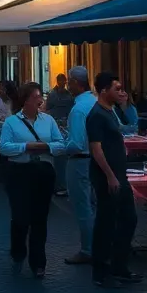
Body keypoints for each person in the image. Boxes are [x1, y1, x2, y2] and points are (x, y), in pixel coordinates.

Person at [0, 82, 66, 277]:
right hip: (19, 172)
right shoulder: (11, 122)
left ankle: (38, 262)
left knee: (40, 218)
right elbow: (4, 147)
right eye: (37, 96)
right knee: (20, 217)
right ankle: (18, 253)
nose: (41, 100)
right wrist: (26, 147)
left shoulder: (48, 121)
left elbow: (61, 144)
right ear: (27, 100)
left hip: (43, 171)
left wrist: (45, 147)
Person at [87, 71, 141, 287]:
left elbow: (129, 125)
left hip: (119, 174)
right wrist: (110, 176)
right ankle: (101, 271)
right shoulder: (96, 115)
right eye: (116, 89)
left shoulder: (112, 111)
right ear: (103, 91)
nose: (120, 91)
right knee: (106, 222)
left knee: (128, 218)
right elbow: (96, 150)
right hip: (107, 177)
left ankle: (119, 266)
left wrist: (124, 102)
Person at [64, 65, 97, 265]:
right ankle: (98, 245)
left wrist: (61, 143)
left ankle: (87, 249)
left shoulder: (78, 109)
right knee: (95, 205)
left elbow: (76, 143)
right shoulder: (95, 102)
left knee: (83, 207)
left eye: (69, 81)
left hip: (80, 160)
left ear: (76, 83)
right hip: (96, 160)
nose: (68, 85)